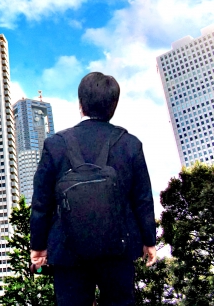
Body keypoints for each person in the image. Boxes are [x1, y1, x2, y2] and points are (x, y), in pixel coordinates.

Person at [30, 72, 157, 306]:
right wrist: (149, 240)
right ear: (114, 105)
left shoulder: (55, 145)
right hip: (118, 247)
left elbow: (41, 202)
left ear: (80, 104)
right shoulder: (130, 144)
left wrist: (38, 246)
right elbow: (142, 199)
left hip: (67, 250)